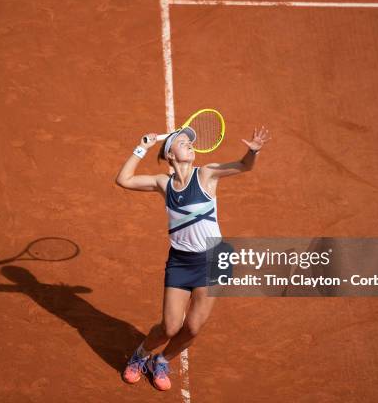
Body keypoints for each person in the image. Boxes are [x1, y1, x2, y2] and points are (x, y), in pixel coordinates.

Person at [115, 125, 271, 391]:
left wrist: (252, 152)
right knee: (169, 326)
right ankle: (140, 354)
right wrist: (142, 146)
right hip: (181, 261)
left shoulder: (207, 174)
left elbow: (245, 166)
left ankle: (161, 361)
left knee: (194, 327)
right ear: (170, 154)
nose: (189, 144)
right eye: (183, 142)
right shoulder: (163, 184)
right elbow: (124, 179)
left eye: (190, 142)